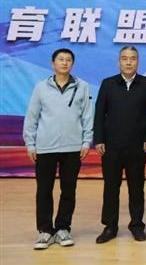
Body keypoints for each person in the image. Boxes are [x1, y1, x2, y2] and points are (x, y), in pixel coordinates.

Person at [23, 48, 93, 250]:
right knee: (44, 190)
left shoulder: (82, 87)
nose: (64, 62)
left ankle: (63, 228)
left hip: (73, 148)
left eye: (68, 59)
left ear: (72, 64)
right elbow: (32, 117)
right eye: (60, 59)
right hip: (45, 147)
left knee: (68, 190)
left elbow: (87, 116)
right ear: (53, 63)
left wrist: (86, 141)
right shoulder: (41, 88)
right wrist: (30, 144)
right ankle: (45, 231)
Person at [94, 46, 146, 244]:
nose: (128, 62)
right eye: (124, 58)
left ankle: (136, 225)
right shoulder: (108, 84)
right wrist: (99, 139)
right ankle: (110, 226)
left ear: (138, 61)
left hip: (138, 146)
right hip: (111, 146)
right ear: (119, 61)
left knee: (136, 187)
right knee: (111, 187)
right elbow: (99, 113)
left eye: (132, 58)